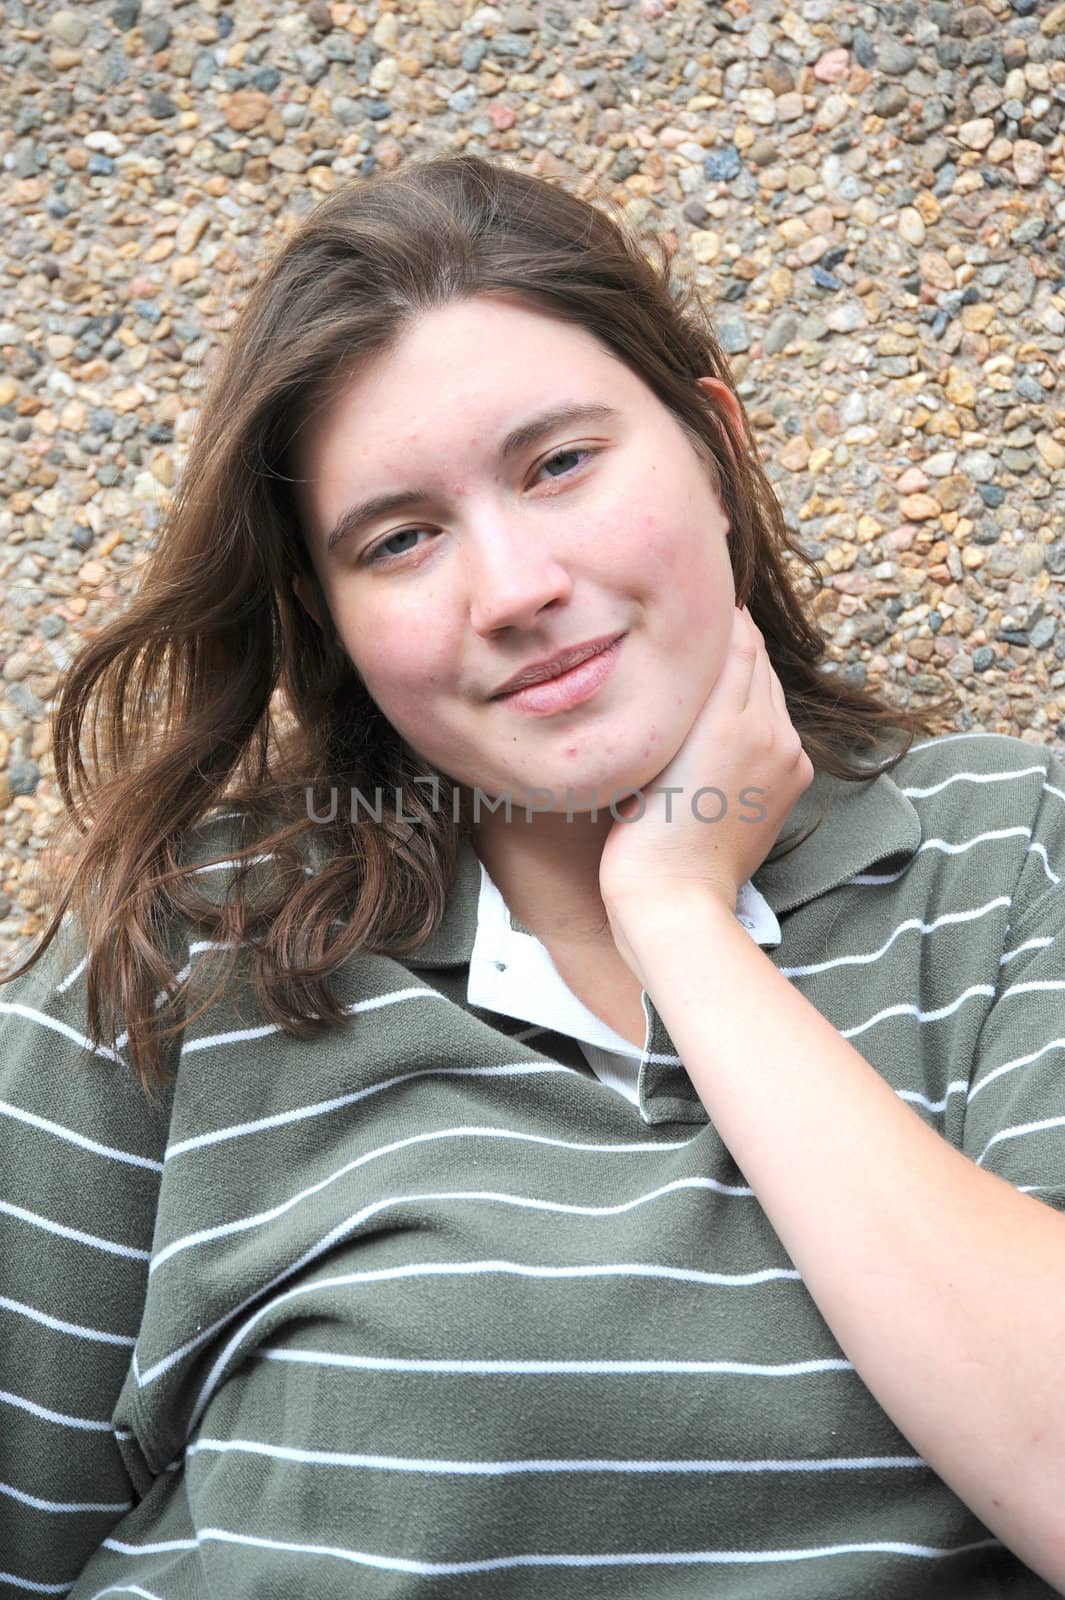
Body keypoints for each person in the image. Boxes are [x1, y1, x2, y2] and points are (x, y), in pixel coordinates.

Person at [0, 153, 1063, 1600]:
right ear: (333, 614)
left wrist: (683, 923)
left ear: (716, 450)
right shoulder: (198, 941)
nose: (509, 591)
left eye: (557, 463)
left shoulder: (1002, 853)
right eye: (401, 539)